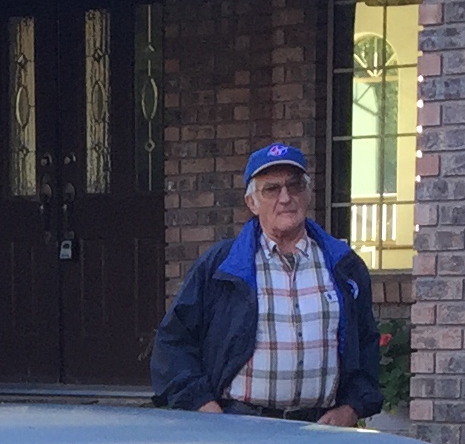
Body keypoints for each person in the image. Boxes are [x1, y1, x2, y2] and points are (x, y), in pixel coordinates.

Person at [152, 143, 384, 426]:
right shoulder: (221, 267)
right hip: (239, 427)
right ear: (251, 203)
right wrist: (203, 405)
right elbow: (173, 342)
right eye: (271, 189)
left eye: (294, 186)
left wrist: (351, 408)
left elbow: (367, 344)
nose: (285, 198)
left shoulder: (344, 266)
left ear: (308, 193)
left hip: (322, 430)